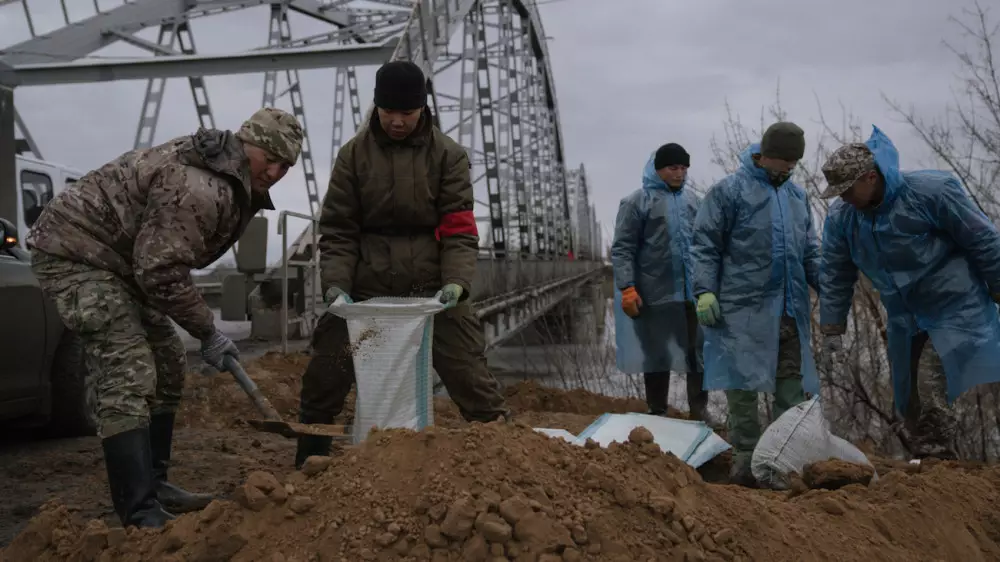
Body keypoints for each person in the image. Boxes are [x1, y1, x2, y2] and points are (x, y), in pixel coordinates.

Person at [25, 108, 304, 527]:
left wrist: (201, 331)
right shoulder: (199, 187)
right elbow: (161, 271)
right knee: (128, 372)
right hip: (76, 252)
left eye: (286, 165)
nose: (276, 171)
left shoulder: (228, 177)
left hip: (125, 262)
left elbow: (156, 264)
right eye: (271, 157)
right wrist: (209, 331)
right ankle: (138, 509)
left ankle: (156, 483)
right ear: (247, 142)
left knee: (170, 366)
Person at [294, 60, 512, 468]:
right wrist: (336, 286)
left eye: (407, 114)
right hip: (367, 287)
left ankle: (505, 460)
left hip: (433, 287)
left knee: (467, 369)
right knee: (328, 369)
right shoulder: (353, 156)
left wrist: (457, 284)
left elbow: (459, 230)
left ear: (422, 109)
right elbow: (339, 231)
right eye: (388, 112)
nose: (397, 121)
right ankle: (309, 461)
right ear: (376, 107)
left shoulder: (448, 156)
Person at [817, 125, 1000, 460]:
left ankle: (938, 462)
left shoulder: (932, 192)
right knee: (906, 397)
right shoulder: (843, 218)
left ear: (871, 177)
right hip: (904, 314)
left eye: (846, 189)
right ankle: (927, 469)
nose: (842, 197)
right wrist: (831, 327)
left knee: (932, 382)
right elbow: (835, 272)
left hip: (956, 304)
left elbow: (983, 239)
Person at [689, 122, 821, 486]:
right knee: (742, 386)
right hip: (741, 310)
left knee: (790, 386)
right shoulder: (729, 193)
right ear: (763, 155)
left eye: (792, 163)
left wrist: (829, 285)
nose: (787, 169)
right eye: (782, 161)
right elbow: (704, 246)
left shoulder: (797, 198)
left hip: (789, 308)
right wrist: (704, 291)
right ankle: (746, 458)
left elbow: (809, 250)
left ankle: (782, 460)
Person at [610, 143, 708, 421]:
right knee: (656, 357)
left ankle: (699, 412)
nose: (680, 173)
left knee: (697, 354)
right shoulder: (636, 202)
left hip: (690, 295)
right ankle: (657, 412)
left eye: (683, 168)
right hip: (653, 295)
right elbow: (623, 248)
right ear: (658, 169)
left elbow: (703, 246)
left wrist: (707, 285)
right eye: (673, 168)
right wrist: (627, 287)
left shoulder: (694, 201)